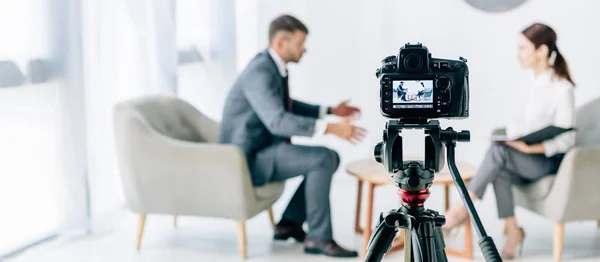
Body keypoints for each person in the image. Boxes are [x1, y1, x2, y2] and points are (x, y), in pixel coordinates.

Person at [219, 14, 366, 258]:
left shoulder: (270, 66)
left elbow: (286, 105)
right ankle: (318, 238)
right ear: (280, 43)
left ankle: (289, 224)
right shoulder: (260, 72)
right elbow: (278, 121)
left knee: (329, 158)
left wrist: (329, 111)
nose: (304, 49)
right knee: (322, 158)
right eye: (300, 43)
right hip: (246, 159)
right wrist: (330, 128)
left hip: (263, 149)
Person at [442, 23, 576, 259]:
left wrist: (530, 146)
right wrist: (514, 140)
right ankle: (513, 231)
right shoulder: (526, 85)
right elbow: (517, 126)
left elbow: (568, 138)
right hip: (521, 156)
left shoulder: (562, 88)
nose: (518, 53)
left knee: (497, 154)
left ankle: (458, 212)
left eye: (523, 48)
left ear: (542, 51)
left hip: (548, 160)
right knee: (499, 165)